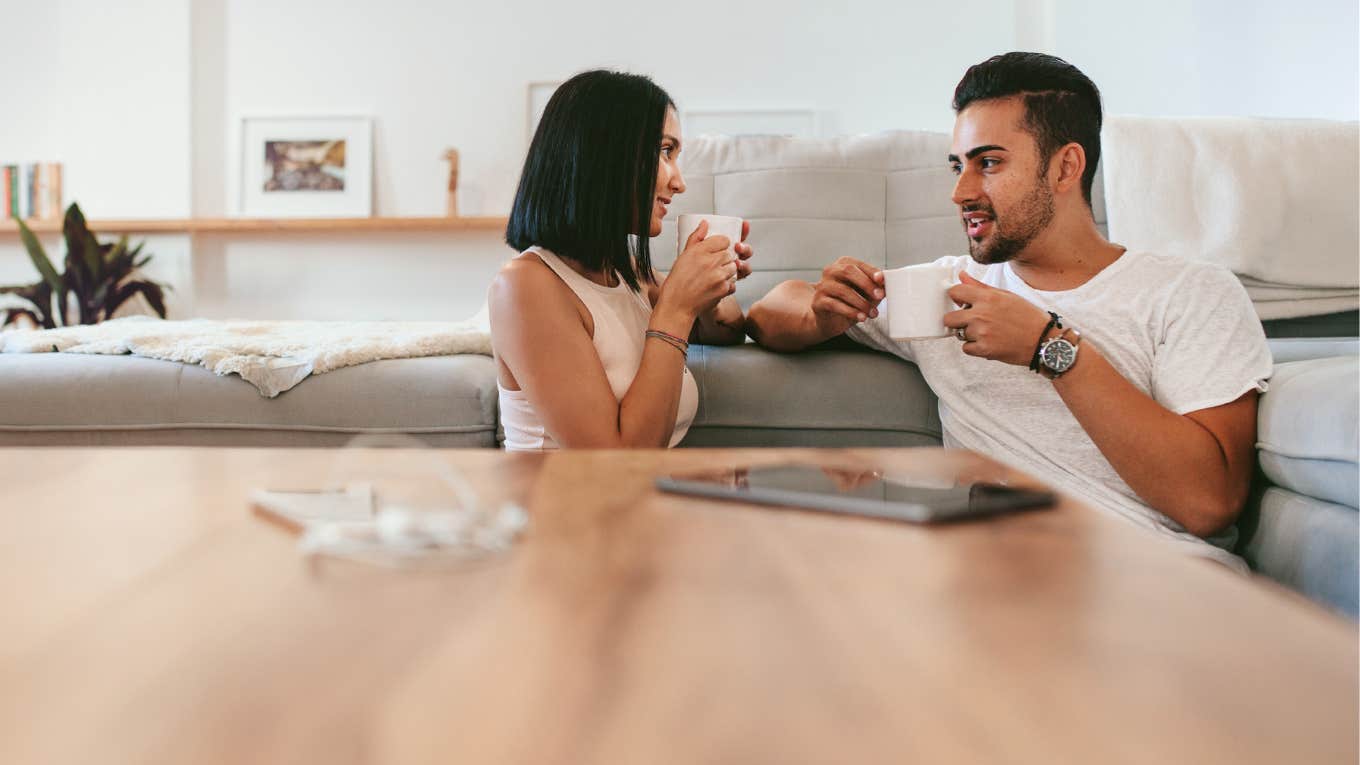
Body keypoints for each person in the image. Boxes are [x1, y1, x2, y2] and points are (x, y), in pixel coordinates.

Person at [746, 52, 1273, 570]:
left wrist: (1052, 349)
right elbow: (768, 311)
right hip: (1000, 582)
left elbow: (1207, 502)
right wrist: (821, 311)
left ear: (1065, 166)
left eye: (989, 163)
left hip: (1159, 577)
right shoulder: (943, 292)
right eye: (959, 166)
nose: (960, 192)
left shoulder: (1190, 292)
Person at [490, 70, 752, 450]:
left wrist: (710, 289)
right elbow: (616, 462)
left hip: (641, 504)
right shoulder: (526, 286)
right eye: (665, 152)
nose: (679, 182)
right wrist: (677, 308)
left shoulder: (627, 272)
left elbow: (727, 330)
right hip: (563, 506)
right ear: (604, 155)